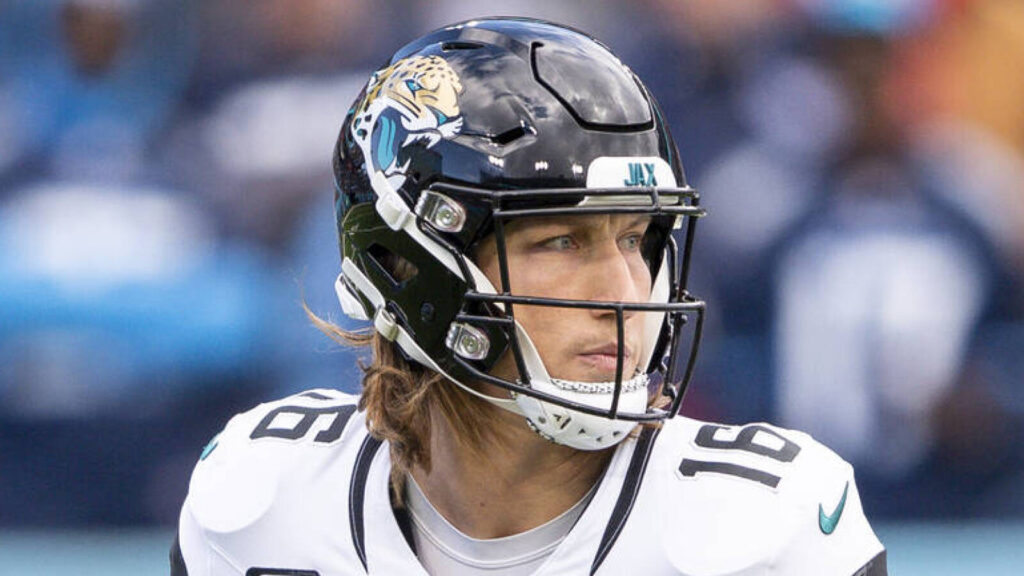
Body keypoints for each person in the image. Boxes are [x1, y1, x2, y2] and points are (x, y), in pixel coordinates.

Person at [172, 17, 886, 575]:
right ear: (407, 265)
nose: (622, 291)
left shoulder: (761, 529)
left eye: (636, 239)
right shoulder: (262, 504)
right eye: (562, 242)